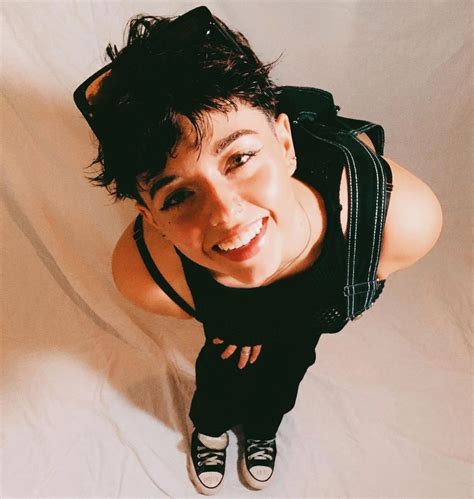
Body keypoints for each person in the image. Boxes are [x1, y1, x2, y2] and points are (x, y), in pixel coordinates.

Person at [73, 6, 442, 495]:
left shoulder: (397, 219)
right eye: (178, 196)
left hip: (298, 332)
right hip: (229, 339)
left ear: (285, 143)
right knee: (220, 378)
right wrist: (233, 321)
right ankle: (210, 433)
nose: (225, 214)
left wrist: (263, 324)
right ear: (151, 217)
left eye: (240, 158)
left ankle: (264, 431)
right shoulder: (147, 276)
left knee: (286, 376)